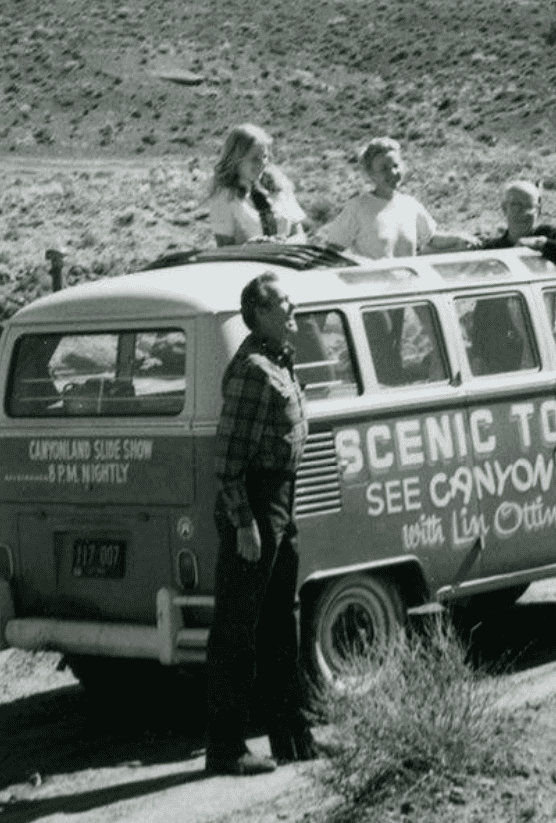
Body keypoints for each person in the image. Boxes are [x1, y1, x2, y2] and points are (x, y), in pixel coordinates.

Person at [204, 272, 316, 776]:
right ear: (260, 312)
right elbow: (227, 458)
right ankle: (226, 749)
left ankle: (293, 737)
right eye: (284, 303)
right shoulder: (252, 370)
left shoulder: (280, 360)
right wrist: (244, 522)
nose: (294, 309)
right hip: (254, 502)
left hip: (280, 500)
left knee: (280, 621)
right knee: (237, 629)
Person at [318, 136, 476, 259]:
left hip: (410, 293)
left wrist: (460, 237)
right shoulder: (357, 208)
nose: (392, 173)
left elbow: (431, 238)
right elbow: (333, 250)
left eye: (395, 166)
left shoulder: (410, 205)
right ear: (370, 174)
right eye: (384, 168)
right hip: (374, 295)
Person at [205, 124, 309, 246]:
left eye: (264, 157)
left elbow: (300, 235)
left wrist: (281, 245)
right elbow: (224, 249)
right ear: (235, 159)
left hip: (286, 261)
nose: (262, 164)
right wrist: (255, 248)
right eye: (254, 159)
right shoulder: (223, 196)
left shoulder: (279, 186)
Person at [479, 180, 556, 272]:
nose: (522, 212)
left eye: (528, 206)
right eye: (515, 205)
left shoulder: (551, 234)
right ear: (504, 209)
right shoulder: (493, 249)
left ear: (538, 210)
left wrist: (539, 244)